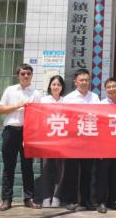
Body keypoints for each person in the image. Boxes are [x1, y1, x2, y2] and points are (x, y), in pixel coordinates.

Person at [0, 63, 42, 211]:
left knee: (28, 167)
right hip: (11, 131)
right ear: (18, 75)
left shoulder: (36, 93)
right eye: (23, 73)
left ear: (32, 76)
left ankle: (29, 199)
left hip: (28, 133)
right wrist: (18, 105)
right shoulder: (10, 90)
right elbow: (0, 109)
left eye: (28, 73)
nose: (26, 76)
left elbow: (39, 114)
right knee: (8, 166)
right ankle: (6, 199)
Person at [62, 68, 100, 211]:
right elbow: (64, 118)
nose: (84, 82)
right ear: (75, 82)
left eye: (86, 80)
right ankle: (71, 200)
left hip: (89, 140)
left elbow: (99, 117)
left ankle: (86, 200)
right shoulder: (68, 98)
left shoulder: (94, 98)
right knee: (71, 171)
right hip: (73, 140)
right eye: (81, 80)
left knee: (87, 172)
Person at [95, 78, 116, 213]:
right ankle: (101, 201)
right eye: (109, 87)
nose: (112, 89)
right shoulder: (100, 105)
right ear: (105, 89)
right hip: (104, 146)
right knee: (102, 175)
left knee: (115, 175)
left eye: (114, 86)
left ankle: (111, 200)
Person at [40, 75, 66, 208]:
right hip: (46, 139)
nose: (56, 87)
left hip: (61, 140)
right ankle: (46, 197)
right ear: (50, 86)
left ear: (62, 87)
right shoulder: (43, 100)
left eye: (58, 85)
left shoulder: (66, 101)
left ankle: (56, 197)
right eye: (53, 84)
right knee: (46, 168)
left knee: (60, 169)